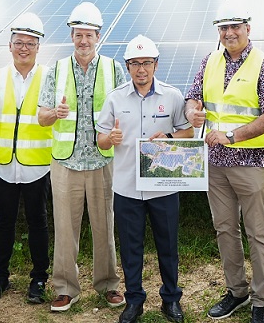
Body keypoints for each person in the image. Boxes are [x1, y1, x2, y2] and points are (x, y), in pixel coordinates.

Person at [185, 2, 264, 323]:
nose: (229, 33)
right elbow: (193, 97)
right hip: (216, 163)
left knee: (257, 232)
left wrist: (231, 136)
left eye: (235, 27)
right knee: (225, 229)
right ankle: (237, 291)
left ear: (247, 29)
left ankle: (261, 301)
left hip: (252, 162)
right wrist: (192, 111)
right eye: (223, 28)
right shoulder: (210, 61)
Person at [95, 35, 193, 323]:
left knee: (168, 246)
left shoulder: (172, 96)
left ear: (156, 65)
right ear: (127, 66)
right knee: (131, 248)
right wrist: (109, 139)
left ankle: (171, 299)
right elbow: (100, 139)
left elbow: (188, 132)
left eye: (147, 63)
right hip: (126, 187)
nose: (141, 69)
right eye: (135, 63)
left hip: (163, 185)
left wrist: (171, 136)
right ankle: (134, 301)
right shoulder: (115, 98)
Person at [37, 1, 124, 312]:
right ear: (72, 36)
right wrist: (54, 113)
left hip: (103, 160)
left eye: (88, 35)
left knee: (105, 226)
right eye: (78, 35)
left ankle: (108, 285)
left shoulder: (114, 69)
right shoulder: (56, 70)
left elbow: (126, 112)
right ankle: (65, 288)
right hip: (66, 162)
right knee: (64, 229)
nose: (83, 40)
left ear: (98, 36)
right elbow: (42, 117)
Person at [0, 12, 53, 305]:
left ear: (38, 47)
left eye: (30, 43)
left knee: (38, 223)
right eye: (19, 42)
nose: (24, 48)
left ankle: (39, 279)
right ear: (9, 46)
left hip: (38, 166)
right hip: (4, 166)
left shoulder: (50, 77)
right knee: (3, 223)